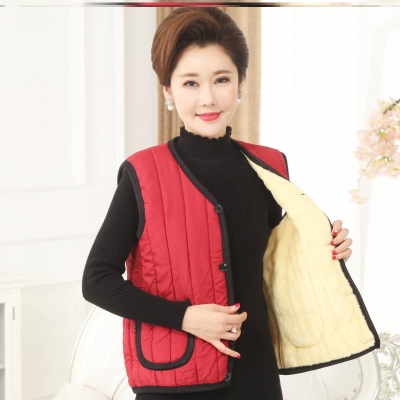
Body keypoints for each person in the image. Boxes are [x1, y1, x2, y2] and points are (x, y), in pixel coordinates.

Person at [82, 7, 379, 400]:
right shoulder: (143, 173)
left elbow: (272, 264)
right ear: (168, 90)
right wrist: (184, 317)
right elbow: (96, 280)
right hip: (174, 383)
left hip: (256, 374)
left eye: (221, 79)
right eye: (190, 83)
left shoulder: (269, 166)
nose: (208, 98)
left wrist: (327, 248)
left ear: (240, 82)